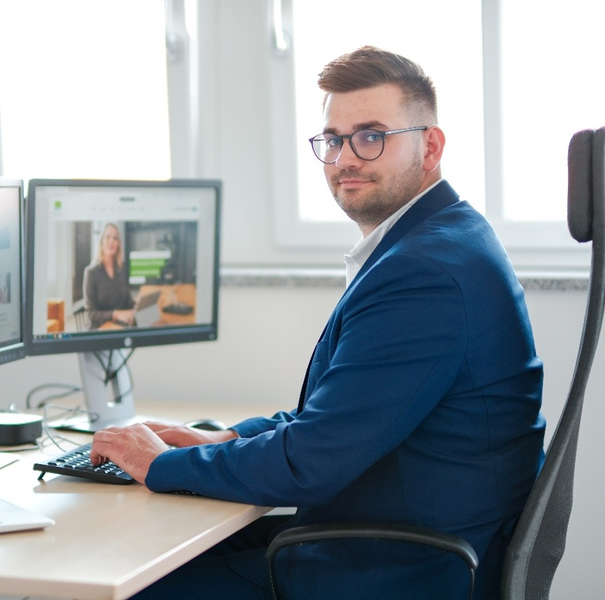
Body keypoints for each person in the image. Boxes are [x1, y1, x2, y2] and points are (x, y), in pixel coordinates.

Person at [91, 46, 546, 599]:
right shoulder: (445, 238)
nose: (346, 157)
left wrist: (160, 464)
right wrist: (223, 437)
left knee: (115, 585)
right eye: (333, 139)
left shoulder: (424, 273)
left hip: (401, 569)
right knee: (155, 554)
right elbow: (340, 414)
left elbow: (311, 462)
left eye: (372, 135)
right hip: (396, 534)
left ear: (430, 146)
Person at [82, 223, 135, 329]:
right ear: (101, 241)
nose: (111, 241)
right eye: (108, 237)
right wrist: (115, 314)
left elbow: (128, 301)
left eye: (115, 238)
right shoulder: (91, 272)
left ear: (118, 244)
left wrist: (137, 307)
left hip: (119, 325)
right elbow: (90, 315)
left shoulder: (122, 268)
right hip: (99, 329)